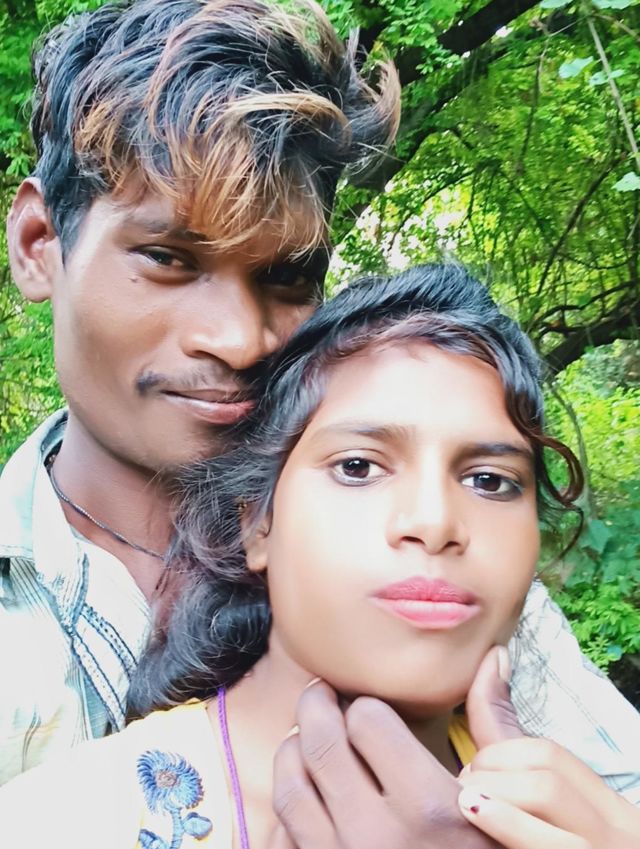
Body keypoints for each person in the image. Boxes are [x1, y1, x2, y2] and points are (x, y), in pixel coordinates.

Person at [0, 0, 638, 843]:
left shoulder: (440, 581)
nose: (239, 340)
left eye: (286, 277)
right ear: (38, 242)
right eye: (168, 258)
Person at [0, 264, 638, 849]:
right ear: (258, 524)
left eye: (490, 481)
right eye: (358, 467)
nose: (435, 522)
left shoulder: (590, 812)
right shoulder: (57, 823)